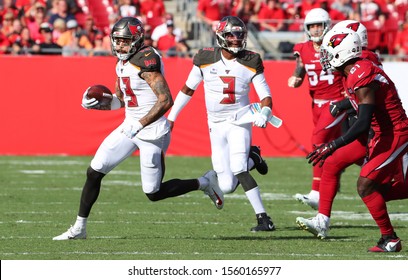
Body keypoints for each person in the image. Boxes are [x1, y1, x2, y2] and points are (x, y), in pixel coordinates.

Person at [53, 17, 224, 240]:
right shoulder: (122, 63)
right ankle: (79, 228)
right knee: (94, 171)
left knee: (153, 193)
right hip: (130, 126)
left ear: (136, 40)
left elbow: (165, 100)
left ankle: (204, 182)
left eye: (124, 41)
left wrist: (140, 123)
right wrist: (97, 104)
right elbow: (121, 101)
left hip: (152, 132)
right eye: (117, 41)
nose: (119, 46)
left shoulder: (146, 59)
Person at [167, 16, 275, 232]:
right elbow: (188, 89)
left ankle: (264, 219)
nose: (235, 40)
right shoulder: (205, 57)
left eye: (239, 35)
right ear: (221, 36)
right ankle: (254, 157)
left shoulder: (251, 60)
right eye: (230, 35)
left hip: (239, 121)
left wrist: (265, 112)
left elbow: (266, 96)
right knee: (226, 185)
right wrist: (171, 117)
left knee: (238, 168)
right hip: (215, 124)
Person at [305, 27, 408, 252]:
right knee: (372, 187)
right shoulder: (353, 72)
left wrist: (332, 144)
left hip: (394, 133)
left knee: (366, 185)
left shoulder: (361, 72)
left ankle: (389, 239)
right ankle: (389, 238)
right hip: (381, 133)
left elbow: (362, 122)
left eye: (329, 51)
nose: (325, 57)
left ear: (343, 51)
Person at [296, 20, 383, 239]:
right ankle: (322, 220)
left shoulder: (364, 63)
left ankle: (388, 237)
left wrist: (341, 106)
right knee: (334, 163)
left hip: (379, 131)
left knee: (377, 182)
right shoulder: (353, 63)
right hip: (367, 126)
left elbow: (367, 101)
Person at [287, 8, 346, 210]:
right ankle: (333, 178)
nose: (314, 30)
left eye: (318, 25)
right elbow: (300, 67)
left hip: (336, 102)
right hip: (316, 103)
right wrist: (296, 78)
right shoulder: (302, 48)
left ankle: (316, 192)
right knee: (331, 149)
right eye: (311, 26)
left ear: (326, 26)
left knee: (318, 141)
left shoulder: (335, 45)